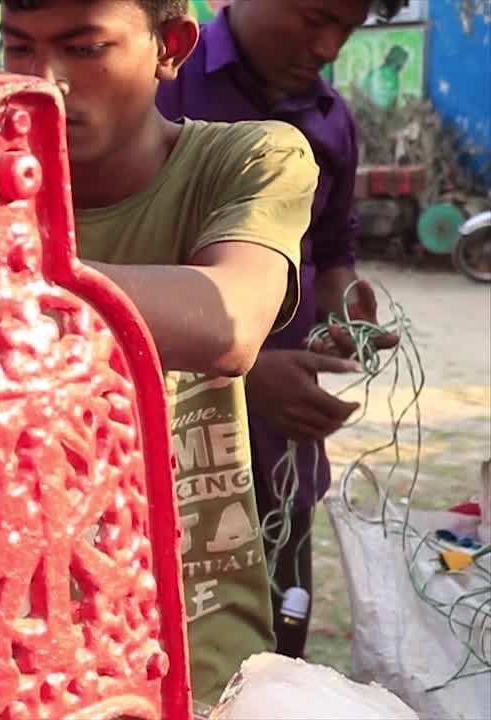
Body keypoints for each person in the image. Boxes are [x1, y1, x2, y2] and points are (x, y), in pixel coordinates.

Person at [0, 0, 335, 704]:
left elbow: (227, 321)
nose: (45, 81)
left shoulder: (248, 158)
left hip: (193, 642)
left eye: (84, 49)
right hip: (1, 639)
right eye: (20, 49)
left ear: (171, 46)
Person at [156, 0, 404, 659]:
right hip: (168, 448)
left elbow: (330, 245)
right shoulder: (158, 84)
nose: (328, 47)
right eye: (315, 16)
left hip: (280, 447)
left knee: (277, 633)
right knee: (181, 638)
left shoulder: (330, 120)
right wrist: (240, 378)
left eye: (347, 29)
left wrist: (344, 302)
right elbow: (115, 278)